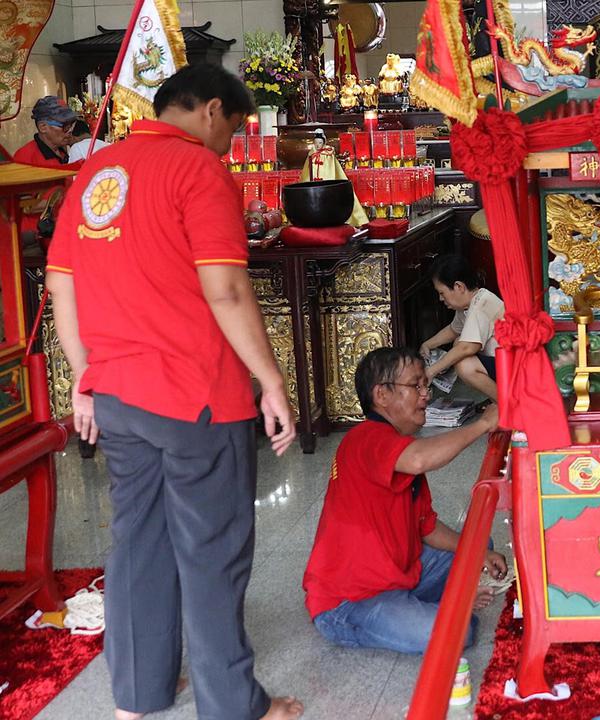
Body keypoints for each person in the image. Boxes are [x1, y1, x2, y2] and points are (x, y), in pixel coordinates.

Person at [45, 65, 303, 720]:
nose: (230, 145)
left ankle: (137, 698)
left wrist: (85, 378)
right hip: (195, 395)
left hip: (118, 396)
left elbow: (62, 287)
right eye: (235, 130)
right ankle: (232, 706)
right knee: (212, 550)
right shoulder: (197, 170)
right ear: (212, 110)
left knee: (137, 546)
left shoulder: (96, 174)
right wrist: (270, 380)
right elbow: (227, 288)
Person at [304, 347, 507, 653]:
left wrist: (476, 552)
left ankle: (432, 602)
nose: (426, 394)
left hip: (402, 571)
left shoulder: (398, 448)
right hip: (352, 598)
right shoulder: (366, 438)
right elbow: (419, 460)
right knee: (458, 633)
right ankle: (430, 609)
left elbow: (427, 529)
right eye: (416, 386)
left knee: (480, 546)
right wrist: (482, 425)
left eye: (425, 385)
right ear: (382, 395)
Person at [419, 254, 504, 400]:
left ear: (459, 287)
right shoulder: (467, 305)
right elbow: (453, 329)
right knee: (458, 342)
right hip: (499, 361)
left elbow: (468, 347)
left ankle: (506, 405)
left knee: (463, 363)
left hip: (512, 364)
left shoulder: (481, 304)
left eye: (442, 293)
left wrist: (432, 371)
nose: (441, 299)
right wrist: (428, 344)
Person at [13, 96, 77, 167]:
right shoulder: (25, 158)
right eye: (65, 126)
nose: (70, 130)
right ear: (43, 127)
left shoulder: (64, 151)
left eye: (71, 125)